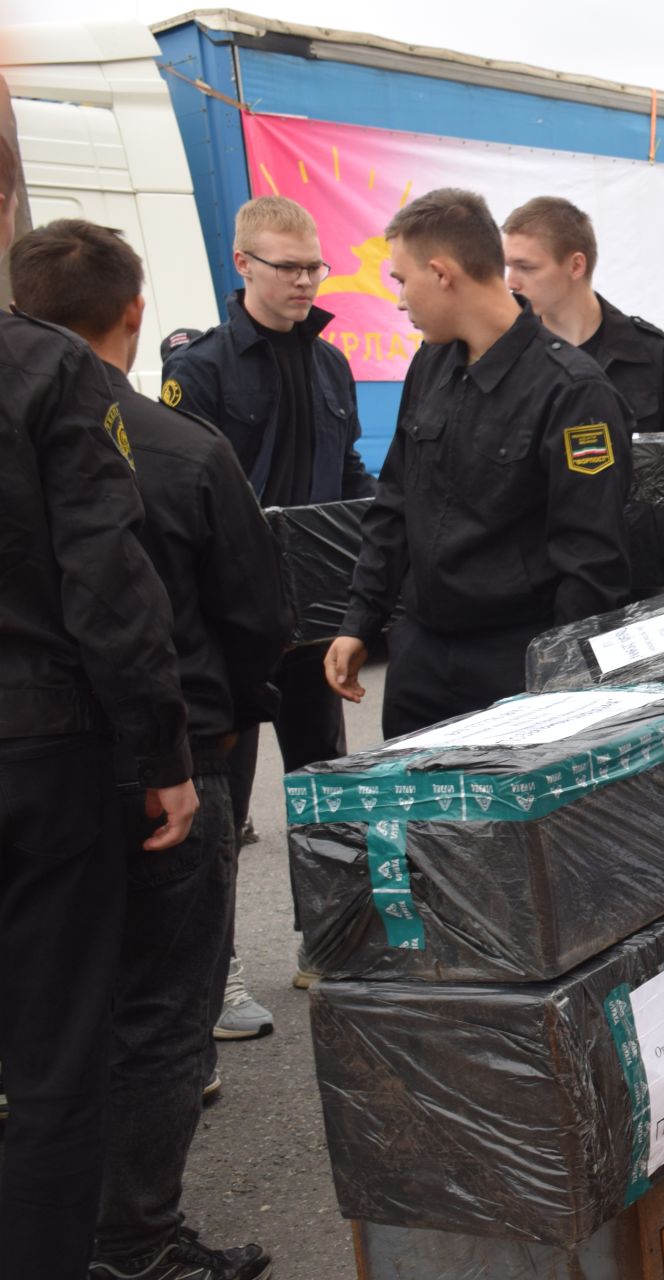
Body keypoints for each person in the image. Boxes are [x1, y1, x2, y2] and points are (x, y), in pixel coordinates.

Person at [11, 218, 288, 1280]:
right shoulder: (180, 447)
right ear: (133, 314)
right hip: (168, 756)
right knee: (164, 1015)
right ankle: (133, 1238)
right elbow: (259, 610)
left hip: (51, 762)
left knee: (50, 1019)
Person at [0, 139, 198, 1280]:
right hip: (36, 749)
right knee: (56, 1057)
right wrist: (162, 753)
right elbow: (109, 583)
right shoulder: (47, 372)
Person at [162, 194, 374, 1031]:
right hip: (232, 625)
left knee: (323, 786)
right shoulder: (203, 369)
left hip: (318, 618)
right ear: (243, 265)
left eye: (314, 266)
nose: (304, 281)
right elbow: (185, 496)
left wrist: (375, 540)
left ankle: (326, 944)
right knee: (225, 804)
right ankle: (216, 979)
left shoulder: (330, 364)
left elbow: (348, 464)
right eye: (287, 267)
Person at [324, 189, 633, 738]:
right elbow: (395, 500)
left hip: (513, 663)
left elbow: (590, 562)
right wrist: (359, 620)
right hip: (420, 653)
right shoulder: (430, 364)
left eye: (400, 279)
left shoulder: (573, 392)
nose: (398, 300)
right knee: (413, 819)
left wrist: (560, 688)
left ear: (442, 273)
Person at [503, 196, 664, 598]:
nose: (511, 281)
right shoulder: (507, 358)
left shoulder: (650, 353)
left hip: (639, 578)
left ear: (575, 265)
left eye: (526, 267)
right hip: (534, 585)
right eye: (509, 265)